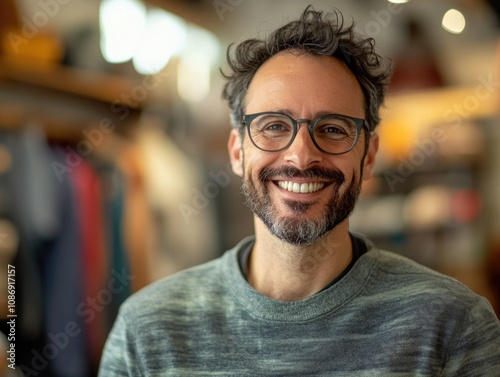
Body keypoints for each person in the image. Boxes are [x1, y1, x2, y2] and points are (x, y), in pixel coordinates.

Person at [98, 7, 500, 376]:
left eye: (332, 129)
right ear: (238, 151)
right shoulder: (147, 332)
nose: (302, 156)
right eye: (273, 125)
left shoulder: (453, 327)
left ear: (369, 155)